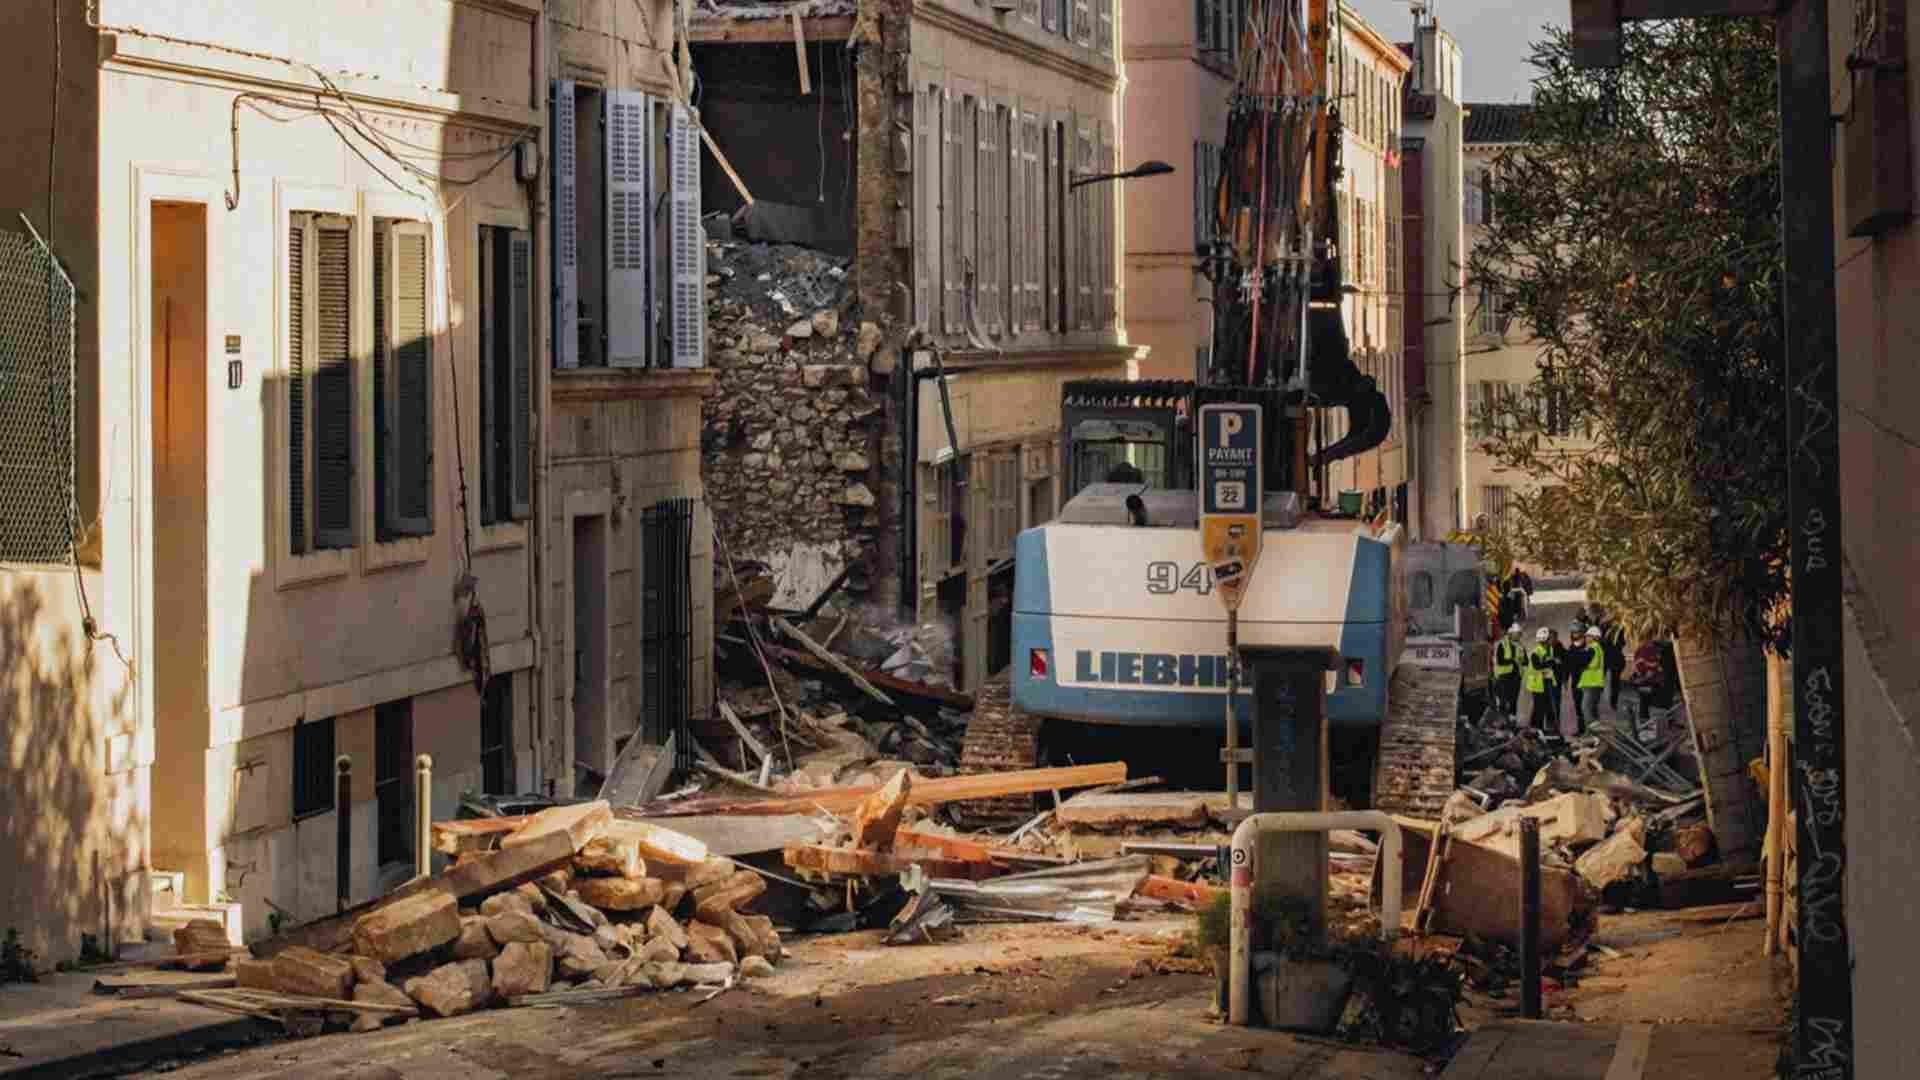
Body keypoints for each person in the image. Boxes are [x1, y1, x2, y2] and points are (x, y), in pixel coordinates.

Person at [1566, 624, 1606, 734]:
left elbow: (1581, 660)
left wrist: (1572, 654)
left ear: (1595, 638)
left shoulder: (1593, 649)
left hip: (1592, 684)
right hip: (1591, 683)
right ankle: (1591, 734)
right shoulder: (1593, 648)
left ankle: (1597, 733)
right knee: (1590, 709)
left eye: (1588, 636)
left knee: (1586, 709)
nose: (1586, 638)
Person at [1524, 627, 1559, 732]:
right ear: (1545, 640)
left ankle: (1538, 728)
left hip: (1545, 682)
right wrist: (1552, 662)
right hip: (1537, 683)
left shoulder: (1549, 649)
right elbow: (1537, 666)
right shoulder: (1536, 652)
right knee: (1539, 707)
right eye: (1550, 638)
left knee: (1544, 706)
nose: (1552, 640)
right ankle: (1536, 728)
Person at [1493, 625, 1524, 720]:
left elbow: (1525, 660)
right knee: (1503, 700)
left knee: (1514, 699)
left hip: (1516, 676)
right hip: (1504, 676)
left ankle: (1512, 719)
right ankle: (1502, 720)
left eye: (1520, 634)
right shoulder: (1502, 644)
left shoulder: (1520, 646)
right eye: (1518, 634)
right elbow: (1500, 660)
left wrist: (1521, 662)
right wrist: (1513, 660)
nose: (1520, 636)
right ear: (1511, 633)